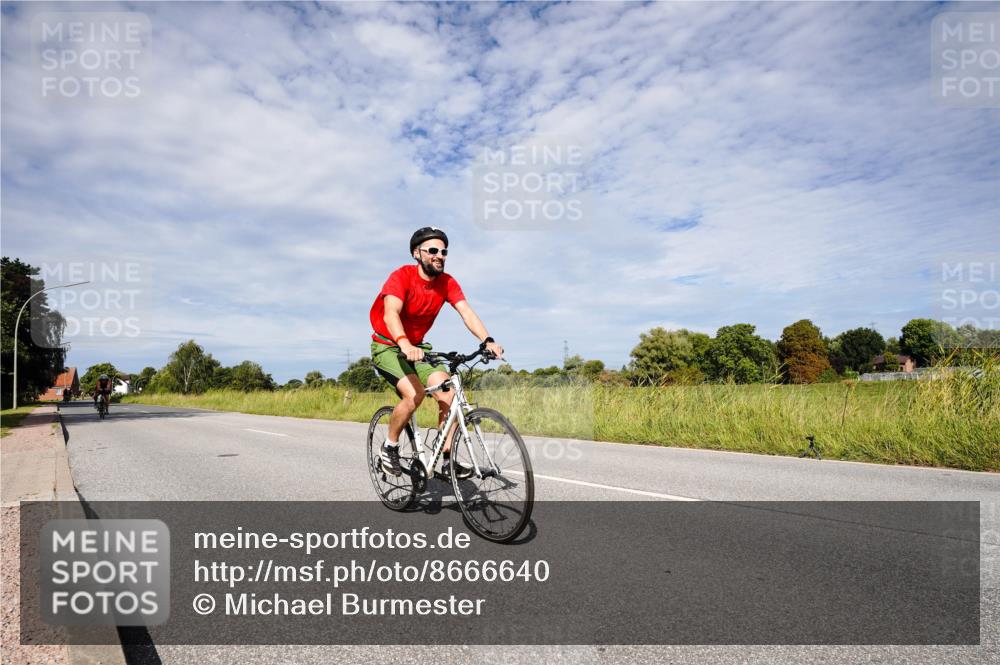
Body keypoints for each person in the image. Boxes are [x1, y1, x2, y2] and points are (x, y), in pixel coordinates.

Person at [370, 227, 504, 478]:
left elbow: (466, 311)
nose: (439, 255)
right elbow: (391, 313)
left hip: (418, 348)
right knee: (414, 395)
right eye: (432, 250)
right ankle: (390, 446)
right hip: (388, 345)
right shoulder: (401, 277)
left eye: (443, 251)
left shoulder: (447, 283)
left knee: (450, 394)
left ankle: (445, 460)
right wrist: (404, 343)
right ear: (417, 253)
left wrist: (487, 340)